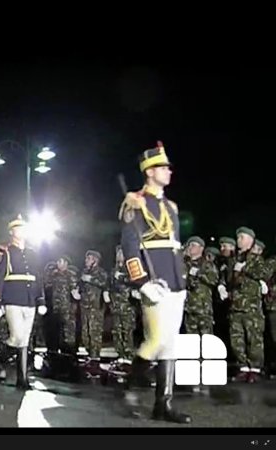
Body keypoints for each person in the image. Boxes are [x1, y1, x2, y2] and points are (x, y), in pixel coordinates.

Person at [119, 141, 191, 423]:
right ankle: (130, 384)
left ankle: (164, 404)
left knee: (170, 344)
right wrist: (141, 281)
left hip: (175, 280)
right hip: (154, 280)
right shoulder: (135, 202)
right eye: (162, 167)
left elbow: (174, 244)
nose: (168, 171)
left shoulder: (170, 206)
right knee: (157, 339)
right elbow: (129, 246)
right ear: (149, 172)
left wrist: (181, 279)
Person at [0, 214, 47, 391]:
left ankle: (22, 379)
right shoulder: (5, 252)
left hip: (29, 299)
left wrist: (41, 299)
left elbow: (38, 278)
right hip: (12, 298)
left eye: (23, 228)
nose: (21, 232)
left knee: (24, 340)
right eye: (17, 229)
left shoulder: (32, 253)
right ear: (11, 232)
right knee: (16, 336)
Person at [227, 227, 270, 382]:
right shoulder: (233, 259)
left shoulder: (256, 258)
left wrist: (244, 268)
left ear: (250, 240)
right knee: (236, 339)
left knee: (254, 338)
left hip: (251, 305)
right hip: (235, 304)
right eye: (238, 237)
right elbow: (228, 280)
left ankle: (255, 369)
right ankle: (243, 368)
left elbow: (262, 273)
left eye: (242, 237)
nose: (239, 240)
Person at [76, 250, 108, 376]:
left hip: (96, 307)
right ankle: (90, 356)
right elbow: (81, 286)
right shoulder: (84, 272)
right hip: (85, 306)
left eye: (89, 258)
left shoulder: (100, 272)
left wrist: (91, 279)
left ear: (95, 260)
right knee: (85, 333)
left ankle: (95, 360)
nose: (86, 261)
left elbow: (104, 284)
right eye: (86, 258)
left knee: (94, 333)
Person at [183, 236, 218, 336]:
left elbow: (213, 280)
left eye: (193, 245)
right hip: (188, 308)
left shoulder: (207, 264)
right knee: (191, 341)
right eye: (189, 245)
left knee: (206, 339)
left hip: (203, 308)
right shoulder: (184, 264)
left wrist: (199, 273)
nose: (190, 247)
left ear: (201, 248)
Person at [110, 245, 137, 364]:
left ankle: (129, 356)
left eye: (121, 253)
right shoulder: (114, 269)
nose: (119, 255)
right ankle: (120, 355)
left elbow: (136, 280)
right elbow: (110, 285)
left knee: (127, 331)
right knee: (117, 331)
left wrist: (122, 277)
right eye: (117, 253)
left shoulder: (131, 267)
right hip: (116, 306)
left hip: (127, 305)